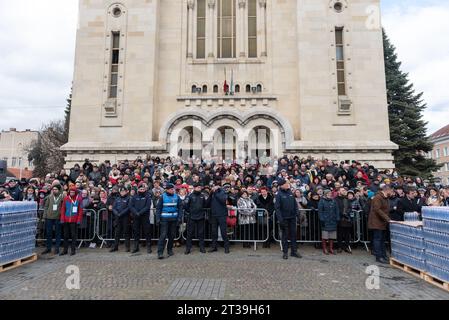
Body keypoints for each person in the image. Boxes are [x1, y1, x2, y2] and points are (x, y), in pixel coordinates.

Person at [275, 179, 301, 260]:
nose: (288, 184)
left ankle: (294, 251)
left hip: (292, 218)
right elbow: (277, 208)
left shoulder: (290, 192)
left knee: (293, 235)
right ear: (282, 185)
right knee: (285, 236)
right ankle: (285, 252)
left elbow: (295, 204)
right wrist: (280, 219)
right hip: (284, 219)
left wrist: (297, 213)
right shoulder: (279, 194)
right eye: (286, 183)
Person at [156, 183, 182, 259]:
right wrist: (157, 218)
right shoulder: (162, 197)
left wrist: (179, 218)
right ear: (167, 190)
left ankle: (169, 250)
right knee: (163, 235)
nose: (173, 190)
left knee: (172, 235)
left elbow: (180, 207)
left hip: (174, 219)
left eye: (173, 189)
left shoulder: (177, 197)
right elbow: (158, 208)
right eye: (171, 189)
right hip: (164, 219)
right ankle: (160, 252)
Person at [368, 184, 392, 264]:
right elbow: (377, 210)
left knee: (382, 240)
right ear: (387, 190)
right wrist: (388, 219)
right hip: (376, 222)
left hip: (382, 222)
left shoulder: (385, 198)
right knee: (377, 239)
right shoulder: (378, 197)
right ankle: (379, 256)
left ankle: (383, 255)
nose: (391, 192)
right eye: (390, 190)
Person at [184, 183, 209, 254]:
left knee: (201, 233)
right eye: (198, 187)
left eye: (200, 187)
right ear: (194, 188)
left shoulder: (202, 196)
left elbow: (204, 205)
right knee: (190, 233)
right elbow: (186, 206)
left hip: (200, 217)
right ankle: (188, 248)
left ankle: (202, 247)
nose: (199, 188)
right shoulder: (190, 196)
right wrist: (190, 212)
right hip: (192, 217)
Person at [60, 186, 83, 256]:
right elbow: (63, 209)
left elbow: (80, 211)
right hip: (66, 220)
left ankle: (73, 250)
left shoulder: (79, 199)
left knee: (73, 236)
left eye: (73, 192)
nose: (71, 193)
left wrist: (79, 220)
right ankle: (65, 250)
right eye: (70, 192)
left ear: (75, 192)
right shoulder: (66, 198)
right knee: (65, 235)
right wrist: (62, 219)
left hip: (74, 220)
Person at [129, 183, 152, 254]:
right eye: (140, 189)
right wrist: (136, 212)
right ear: (138, 189)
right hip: (136, 217)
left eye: (143, 189)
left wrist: (140, 213)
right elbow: (131, 206)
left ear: (145, 189)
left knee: (147, 232)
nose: (141, 190)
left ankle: (149, 246)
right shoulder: (134, 197)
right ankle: (136, 247)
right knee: (136, 232)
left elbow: (147, 206)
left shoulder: (147, 197)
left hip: (144, 217)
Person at [209, 181, 230, 254]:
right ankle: (214, 247)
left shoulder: (223, 192)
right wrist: (211, 193)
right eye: (214, 186)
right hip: (214, 215)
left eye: (216, 186)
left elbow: (223, 201)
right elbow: (208, 202)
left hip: (222, 215)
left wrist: (215, 193)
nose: (214, 187)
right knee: (214, 232)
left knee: (223, 231)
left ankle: (226, 247)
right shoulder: (212, 193)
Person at [42, 185, 64, 255]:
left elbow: (64, 207)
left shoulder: (62, 197)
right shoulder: (49, 197)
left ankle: (56, 248)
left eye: (56, 189)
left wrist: (62, 216)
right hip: (49, 217)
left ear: (59, 190)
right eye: (53, 189)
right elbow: (45, 206)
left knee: (58, 233)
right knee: (48, 233)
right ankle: (48, 248)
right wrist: (44, 216)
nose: (54, 190)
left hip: (58, 217)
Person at [318, 189, 340, 255]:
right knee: (325, 236)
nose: (329, 194)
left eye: (330, 193)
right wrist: (321, 219)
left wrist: (337, 218)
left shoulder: (334, 201)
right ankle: (324, 248)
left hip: (333, 220)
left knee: (332, 236)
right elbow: (320, 211)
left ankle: (331, 248)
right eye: (328, 193)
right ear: (325, 194)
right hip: (325, 220)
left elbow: (337, 210)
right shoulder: (322, 201)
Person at [110, 187, 131, 252]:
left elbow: (128, 207)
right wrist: (117, 213)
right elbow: (114, 208)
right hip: (118, 218)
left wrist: (121, 213)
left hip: (125, 218)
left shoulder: (129, 198)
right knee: (117, 233)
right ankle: (115, 247)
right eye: (121, 191)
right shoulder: (117, 198)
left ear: (126, 192)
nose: (122, 192)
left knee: (126, 232)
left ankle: (127, 247)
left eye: (123, 191)